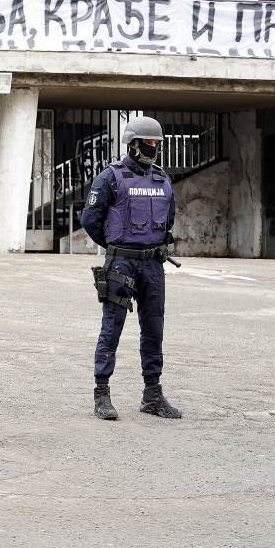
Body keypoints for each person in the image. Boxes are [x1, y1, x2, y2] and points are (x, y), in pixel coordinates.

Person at [81, 115, 182, 421]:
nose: (154, 148)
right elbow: (90, 219)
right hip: (121, 262)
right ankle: (102, 394)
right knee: (112, 327)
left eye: (157, 143)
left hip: (153, 264)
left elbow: (170, 217)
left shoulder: (162, 179)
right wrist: (115, 245)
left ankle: (152, 395)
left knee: (154, 329)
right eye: (149, 143)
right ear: (134, 144)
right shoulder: (110, 177)